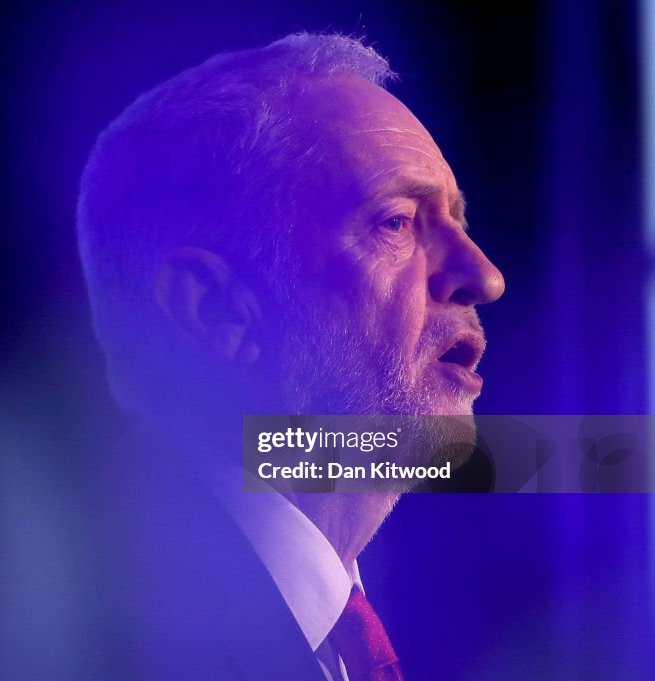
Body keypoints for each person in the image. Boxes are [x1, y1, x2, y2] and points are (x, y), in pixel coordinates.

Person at [77, 32, 505, 680]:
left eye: (457, 223)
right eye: (395, 222)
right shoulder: (89, 624)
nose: (484, 276)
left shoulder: (354, 625)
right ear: (215, 309)